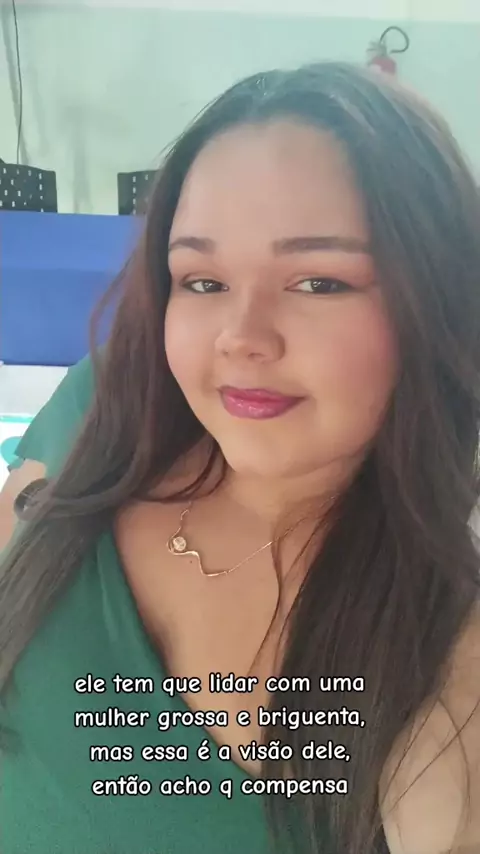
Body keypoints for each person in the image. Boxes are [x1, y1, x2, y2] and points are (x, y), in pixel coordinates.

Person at [0, 61, 479, 854]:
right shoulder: (109, 405)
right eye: (202, 280)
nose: (241, 337)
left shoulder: (440, 638)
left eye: (319, 282)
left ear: (438, 298)